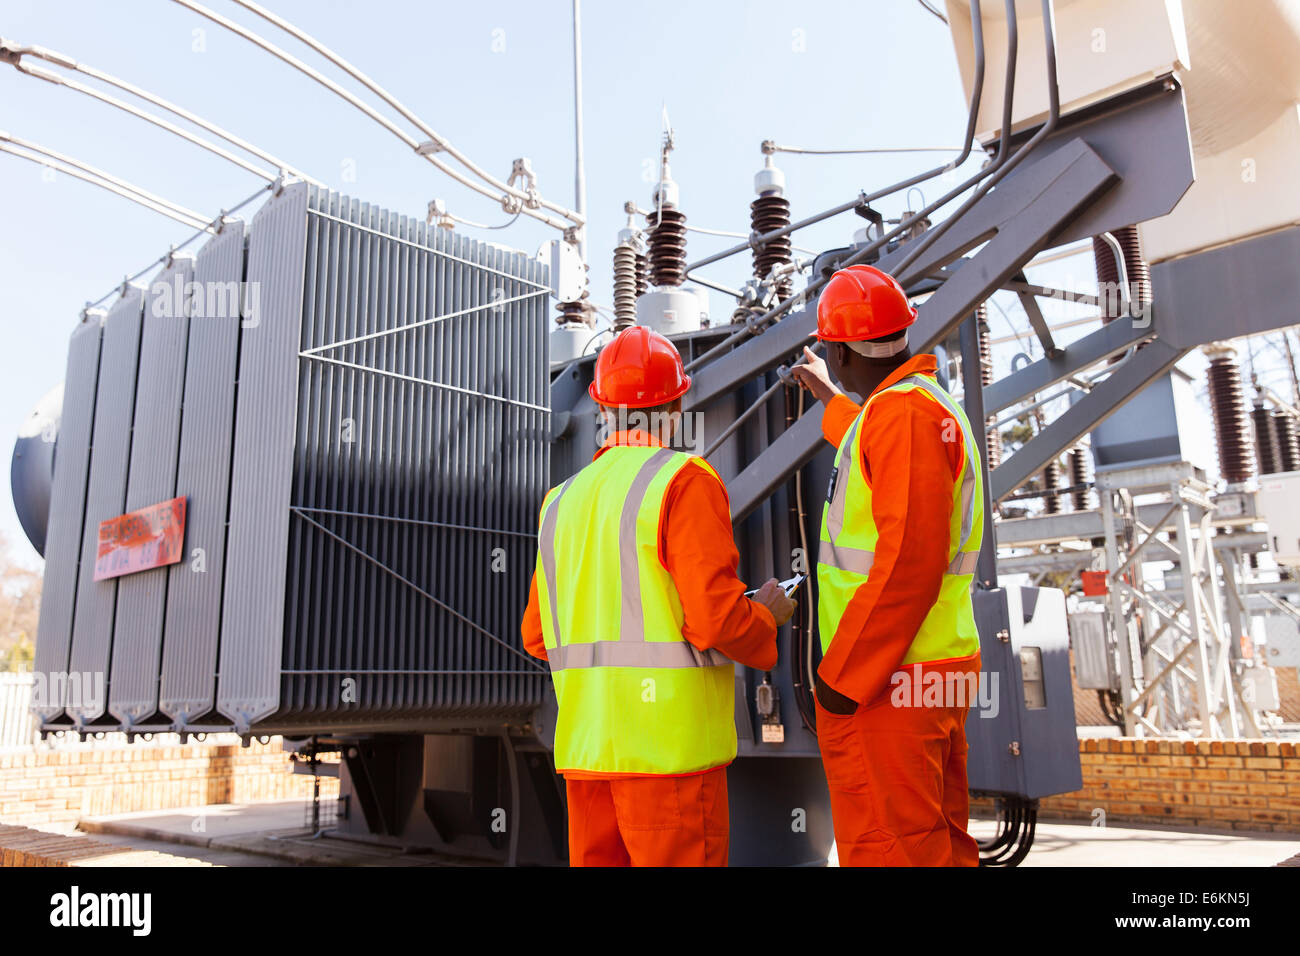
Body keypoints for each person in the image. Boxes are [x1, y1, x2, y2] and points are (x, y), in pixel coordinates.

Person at [521, 325, 796, 867]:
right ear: (675, 405)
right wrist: (765, 615)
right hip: (669, 760)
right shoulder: (683, 481)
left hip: (587, 756)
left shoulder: (559, 502)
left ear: (601, 408)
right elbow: (715, 621)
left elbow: (537, 635)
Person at [791, 263, 984, 867]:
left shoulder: (903, 415)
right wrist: (829, 395)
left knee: (892, 847)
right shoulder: (912, 408)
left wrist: (842, 678)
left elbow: (910, 563)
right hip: (926, 668)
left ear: (839, 349)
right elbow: (869, 442)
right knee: (934, 845)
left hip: (888, 678)